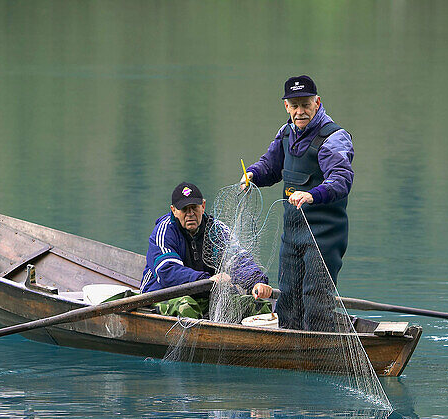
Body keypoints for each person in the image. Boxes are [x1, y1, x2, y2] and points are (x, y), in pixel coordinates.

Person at [240, 75, 355, 330]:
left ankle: (320, 357)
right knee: (288, 302)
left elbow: (341, 179)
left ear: (317, 102)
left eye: (305, 104)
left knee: (316, 302)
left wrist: (313, 194)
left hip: (324, 237)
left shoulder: (333, 138)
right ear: (286, 107)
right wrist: (253, 175)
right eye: (294, 105)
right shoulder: (286, 133)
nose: (300, 112)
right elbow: (270, 166)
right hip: (291, 236)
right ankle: (290, 352)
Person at [141, 181, 271, 319]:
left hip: (205, 293)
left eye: (194, 208)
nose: (190, 214)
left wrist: (257, 281)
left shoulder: (216, 230)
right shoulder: (164, 231)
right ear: (174, 210)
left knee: (258, 305)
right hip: (163, 294)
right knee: (187, 307)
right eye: (184, 209)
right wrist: (207, 281)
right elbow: (167, 271)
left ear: (203, 206)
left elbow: (237, 259)